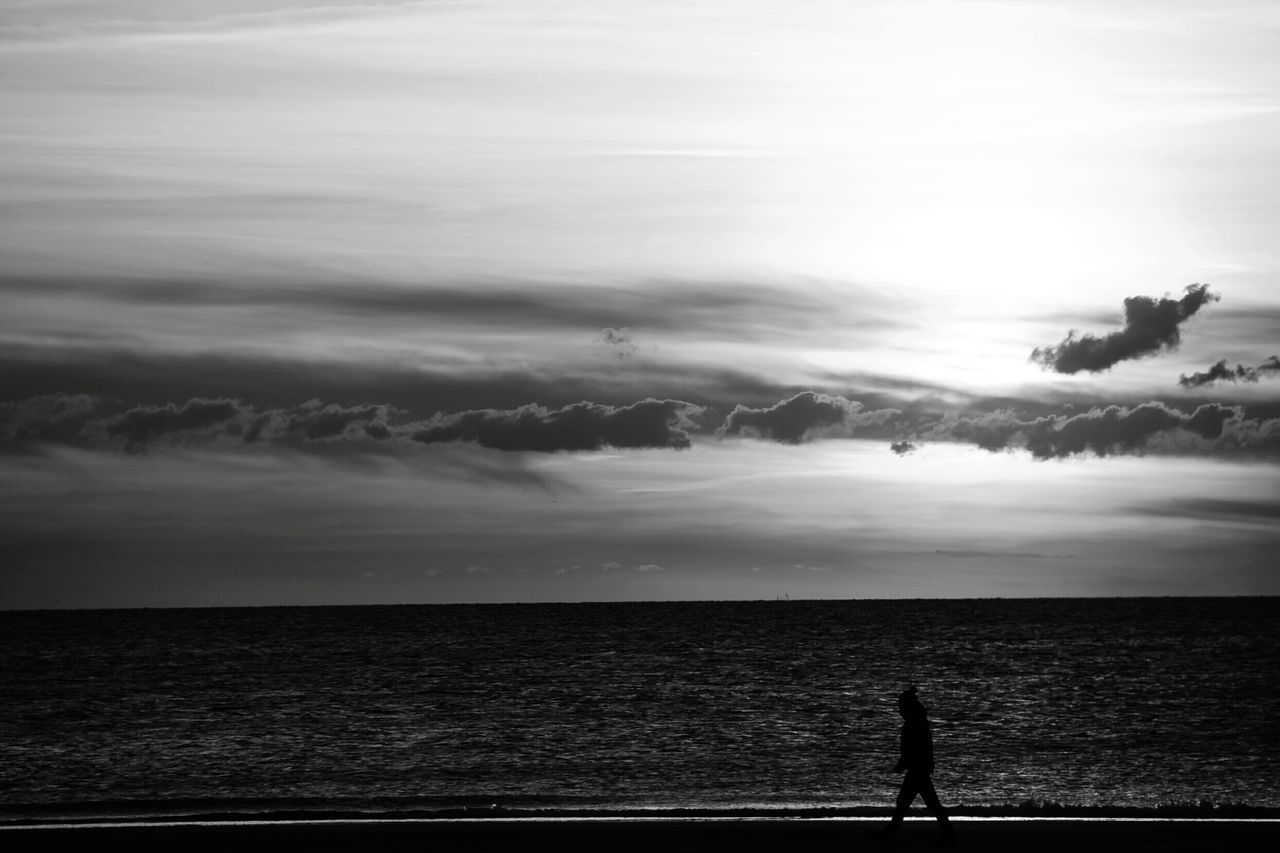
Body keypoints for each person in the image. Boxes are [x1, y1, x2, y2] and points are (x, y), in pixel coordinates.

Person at [873, 686, 956, 847]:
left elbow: (913, 750)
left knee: (907, 802)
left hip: (917, 769)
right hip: (921, 768)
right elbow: (921, 748)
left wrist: (902, 765)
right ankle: (948, 831)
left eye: (901, 707)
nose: (899, 711)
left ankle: (888, 834)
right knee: (925, 803)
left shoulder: (913, 725)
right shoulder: (919, 722)